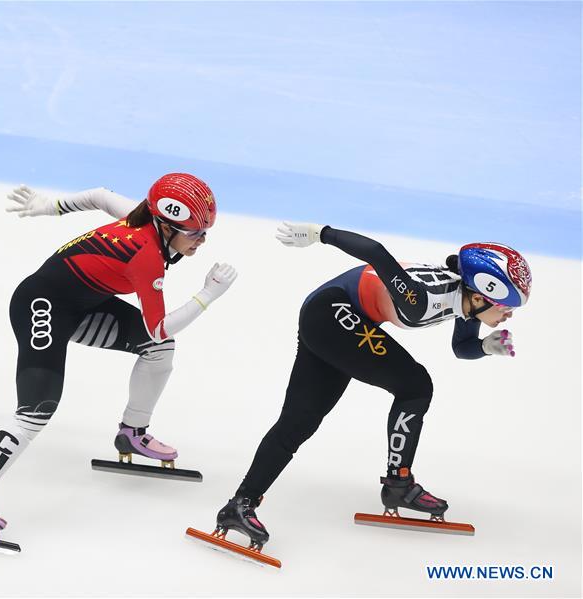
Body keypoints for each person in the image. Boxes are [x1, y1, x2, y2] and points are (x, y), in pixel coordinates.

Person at [0, 173, 237, 536]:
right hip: (41, 307)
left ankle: (132, 432)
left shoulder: (140, 215)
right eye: (195, 233)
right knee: (37, 409)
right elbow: (159, 325)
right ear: (166, 225)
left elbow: (99, 195)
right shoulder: (146, 257)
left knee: (158, 351)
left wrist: (49, 207)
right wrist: (208, 294)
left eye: (205, 232)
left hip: (81, 308)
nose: (202, 241)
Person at [213, 221, 531, 550]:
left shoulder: (465, 302)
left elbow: (461, 348)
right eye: (507, 307)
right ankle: (399, 484)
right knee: (415, 385)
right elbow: (376, 253)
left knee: (299, 421)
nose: (509, 315)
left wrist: (485, 347)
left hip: (334, 315)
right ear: (480, 297)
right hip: (332, 312)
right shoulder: (422, 299)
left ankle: (240, 505)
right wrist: (319, 233)